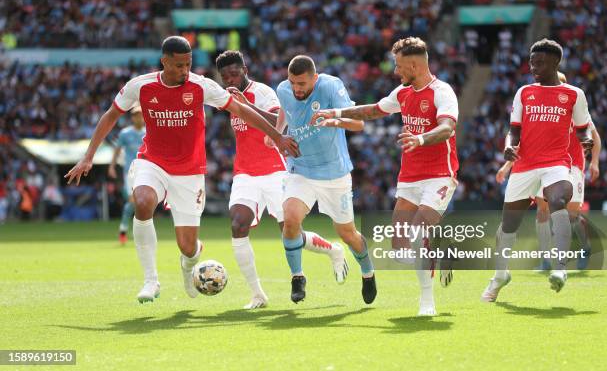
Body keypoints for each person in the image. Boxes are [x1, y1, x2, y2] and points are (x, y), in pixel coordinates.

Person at [65, 36, 299, 303]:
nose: (185, 71)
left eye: (188, 64)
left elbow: (241, 110)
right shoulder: (140, 86)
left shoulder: (201, 86)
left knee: (188, 248)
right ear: (164, 61)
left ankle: (189, 263)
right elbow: (110, 115)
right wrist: (88, 156)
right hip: (152, 161)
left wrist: (277, 137)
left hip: (189, 172)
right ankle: (151, 281)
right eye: (178, 65)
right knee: (142, 202)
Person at [312, 37, 459, 316]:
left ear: (415, 65)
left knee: (418, 235)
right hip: (410, 176)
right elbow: (373, 111)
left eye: (399, 66)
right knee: (399, 247)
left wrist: (421, 138)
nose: (395, 72)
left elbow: (447, 128)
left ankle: (426, 302)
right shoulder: (402, 93)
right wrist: (337, 112)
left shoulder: (442, 92)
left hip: (440, 174)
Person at [215, 50, 348, 309]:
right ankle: (257, 295)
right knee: (238, 224)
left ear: (245, 70)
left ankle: (333, 250)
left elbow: (281, 125)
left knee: (290, 231)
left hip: (276, 170)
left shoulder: (263, 93)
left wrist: (245, 104)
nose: (230, 79)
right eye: (225, 76)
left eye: (234, 73)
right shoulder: (225, 96)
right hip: (245, 172)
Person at [481, 39, 593, 302]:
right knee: (509, 224)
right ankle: (499, 276)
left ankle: (560, 268)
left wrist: (585, 139)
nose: (534, 67)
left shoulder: (574, 94)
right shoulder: (524, 93)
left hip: (556, 162)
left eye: (540, 62)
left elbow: (583, 126)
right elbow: (514, 130)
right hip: (525, 165)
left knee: (558, 200)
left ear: (555, 62)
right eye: (532, 62)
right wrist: (509, 147)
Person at [269, 55, 377, 304]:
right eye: (292, 82)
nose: (296, 88)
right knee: (290, 220)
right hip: (301, 169)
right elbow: (285, 110)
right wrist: (277, 134)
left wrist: (332, 120)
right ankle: (297, 277)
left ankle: (368, 272)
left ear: (314, 79)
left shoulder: (330, 86)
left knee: (347, 233)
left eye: (302, 84)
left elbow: (358, 123)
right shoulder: (284, 90)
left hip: (333, 172)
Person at [496, 73, 601, 271]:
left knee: (571, 214)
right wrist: (506, 166)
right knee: (542, 211)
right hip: (545, 166)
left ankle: (585, 247)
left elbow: (595, 137)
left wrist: (594, 162)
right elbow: (524, 143)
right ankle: (545, 260)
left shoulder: (574, 107)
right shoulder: (540, 113)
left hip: (573, 166)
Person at [108, 108, 146, 245]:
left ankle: (135, 232)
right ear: (132, 118)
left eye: (141, 115)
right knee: (132, 201)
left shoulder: (148, 133)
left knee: (142, 204)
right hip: (129, 173)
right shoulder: (125, 133)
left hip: (145, 172)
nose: (139, 118)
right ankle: (124, 230)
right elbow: (117, 150)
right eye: (136, 116)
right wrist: (112, 166)